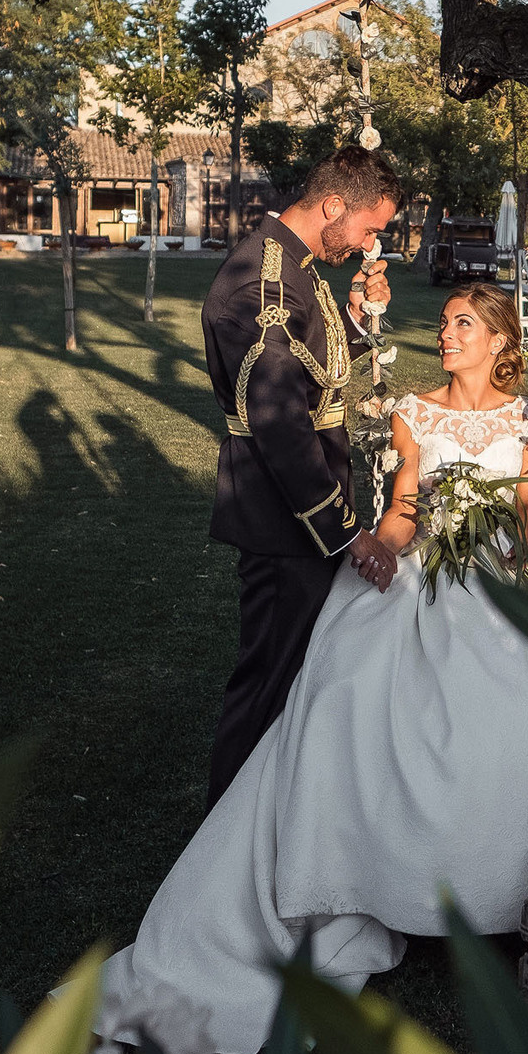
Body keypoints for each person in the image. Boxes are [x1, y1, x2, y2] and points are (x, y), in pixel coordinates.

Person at [99, 280, 528, 1054]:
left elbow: (527, 510)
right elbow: (404, 508)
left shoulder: (527, 418)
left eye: (461, 324)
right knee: (359, 701)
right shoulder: (415, 411)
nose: (445, 334)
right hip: (432, 571)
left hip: (501, 570)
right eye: (443, 322)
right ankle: (383, 882)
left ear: (497, 340)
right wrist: (381, 547)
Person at [198, 147, 402, 806]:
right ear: (334, 205)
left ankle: (272, 818)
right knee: (266, 687)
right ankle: (226, 839)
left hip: (300, 519)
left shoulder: (294, 266)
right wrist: (348, 533)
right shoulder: (261, 279)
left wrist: (357, 318)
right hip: (283, 518)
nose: (370, 244)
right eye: (369, 229)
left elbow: (309, 366)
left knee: (292, 682)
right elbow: (281, 420)